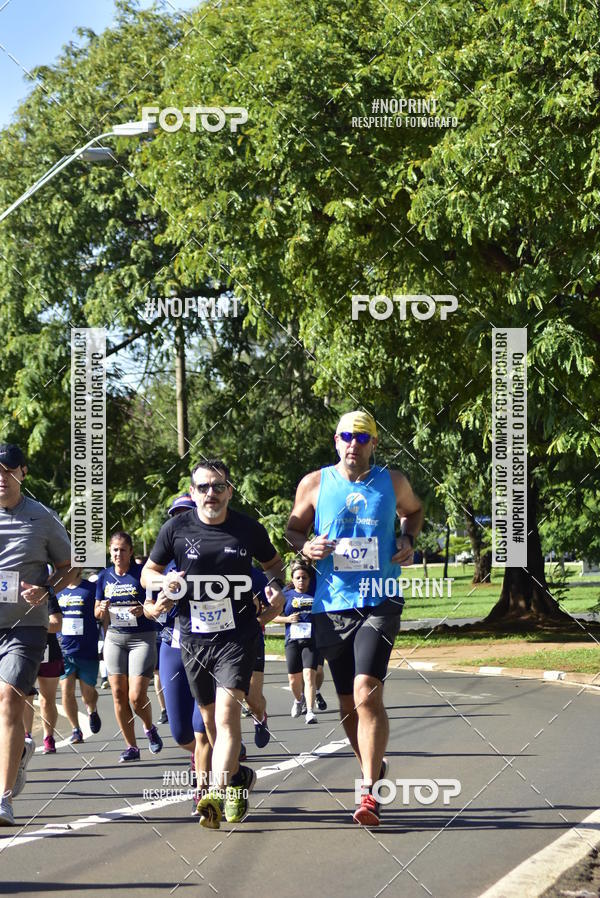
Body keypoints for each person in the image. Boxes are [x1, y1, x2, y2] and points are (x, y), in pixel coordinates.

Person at [285, 411, 423, 826]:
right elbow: (293, 530)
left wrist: (408, 538)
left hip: (380, 599)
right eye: (346, 436)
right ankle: (372, 767)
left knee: (366, 690)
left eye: (361, 437)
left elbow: (413, 512)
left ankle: (369, 794)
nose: (353, 443)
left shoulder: (392, 481)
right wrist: (304, 547)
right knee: (347, 704)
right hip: (331, 604)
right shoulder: (314, 483)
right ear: (336, 441)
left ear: (373, 444)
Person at [141, 458, 285, 829]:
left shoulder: (247, 529)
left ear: (229, 492)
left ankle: (215, 796)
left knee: (226, 716)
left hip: (236, 638)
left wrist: (276, 588)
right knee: (208, 722)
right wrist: (164, 584)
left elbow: (275, 565)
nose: (211, 493)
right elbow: (148, 573)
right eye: (203, 487)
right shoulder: (175, 529)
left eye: (218, 486)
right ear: (193, 492)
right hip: (193, 639)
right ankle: (238, 780)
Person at [0, 443, 74, 826]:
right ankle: (18, 753)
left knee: (9, 696)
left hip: (25, 625)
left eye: (8, 469)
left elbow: (70, 568)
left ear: (22, 473)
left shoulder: (42, 518)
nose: (1, 477)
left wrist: (46, 589)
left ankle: (3, 799)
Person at [143, 494, 212, 810]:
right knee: (181, 730)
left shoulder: (212, 551)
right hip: (173, 644)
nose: (181, 519)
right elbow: (148, 607)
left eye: (187, 513)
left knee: (203, 727)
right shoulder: (162, 564)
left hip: (210, 644)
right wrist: (158, 606)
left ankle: (205, 785)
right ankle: (204, 756)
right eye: (176, 515)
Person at [95, 531, 162, 762]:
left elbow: (153, 608)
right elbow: (96, 610)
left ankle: (149, 727)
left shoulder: (141, 575)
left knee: (135, 696)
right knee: (118, 693)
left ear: (131, 551)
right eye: (114, 550)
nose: (118, 554)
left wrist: (141, 608)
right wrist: (101, 609)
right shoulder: (104, 576)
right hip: (114, 637)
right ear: (109, 551)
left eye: (123, 549)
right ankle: (131, 747)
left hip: (141, 637)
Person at [57, 571, 102, 743]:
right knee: (66, 691)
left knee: (87, 694)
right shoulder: (57, 589)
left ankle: (92, 710)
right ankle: (76, 730)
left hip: (86, 648)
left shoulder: (91, 588)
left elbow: (101, 616)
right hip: (64, 649)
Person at [275, 559, 320, 724]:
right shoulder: (286, 595)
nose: (301, 581)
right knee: (294, 679)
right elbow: (273, 617)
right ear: (292, 580)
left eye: (304, 577)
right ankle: (298, 699)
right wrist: (287, 619)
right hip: (292, 640)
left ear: (309, 579)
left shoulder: (315, 591)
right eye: (298, 578)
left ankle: (310, 711)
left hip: (311, 640)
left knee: (309, 676)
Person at [37, 593, 64, 752]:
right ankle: (26, 736)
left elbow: (56, 625)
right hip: (20, 651)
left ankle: (48, 736)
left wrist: (33, 623)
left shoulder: (47, 595)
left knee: (46, 700)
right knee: (22, 697)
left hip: (48, 650)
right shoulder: (9, 592)